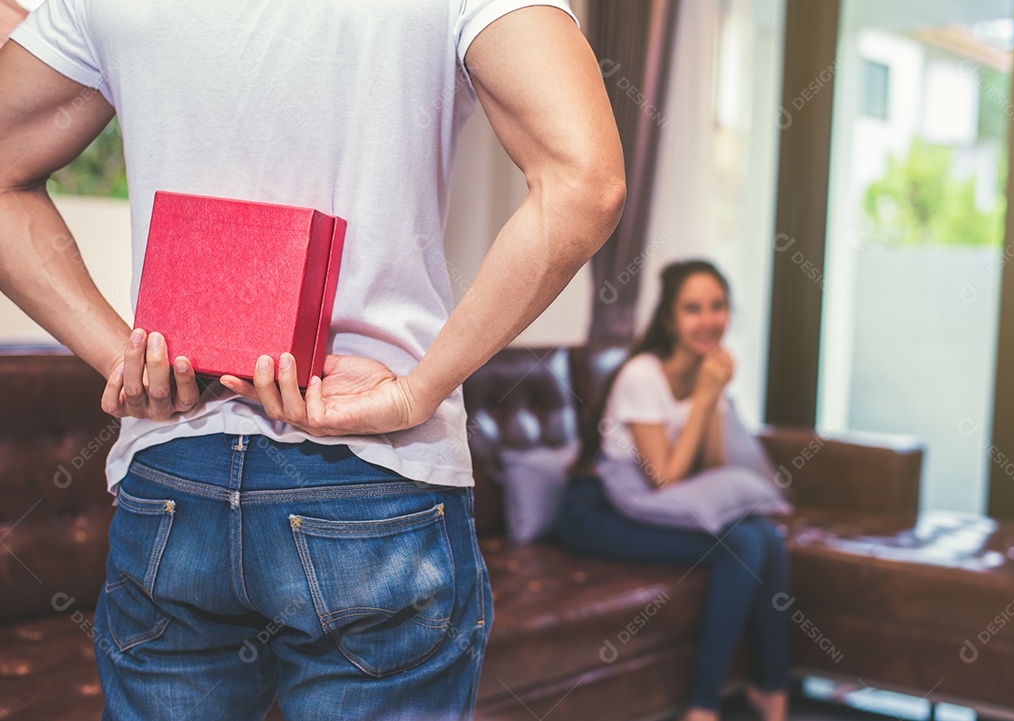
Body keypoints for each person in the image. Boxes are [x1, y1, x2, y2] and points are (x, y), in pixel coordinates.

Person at [0, 2, 625, 719]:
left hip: (172, 473)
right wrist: (416, 390)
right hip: (373, 465)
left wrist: (126, 358)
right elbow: (587, 183)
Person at [557, 260, 790, 721]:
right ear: (669, 318)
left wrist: (712, 396)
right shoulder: (642, 374)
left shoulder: (705, 373)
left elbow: (713, 468)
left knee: (766, 535)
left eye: (718, 306)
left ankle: (770, 686)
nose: (709, 320)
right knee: (742, 545)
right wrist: (703, 398)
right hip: (597, 511)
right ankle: (702, 707)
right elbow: (662, 477)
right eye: (692, 309)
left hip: (651, 505)